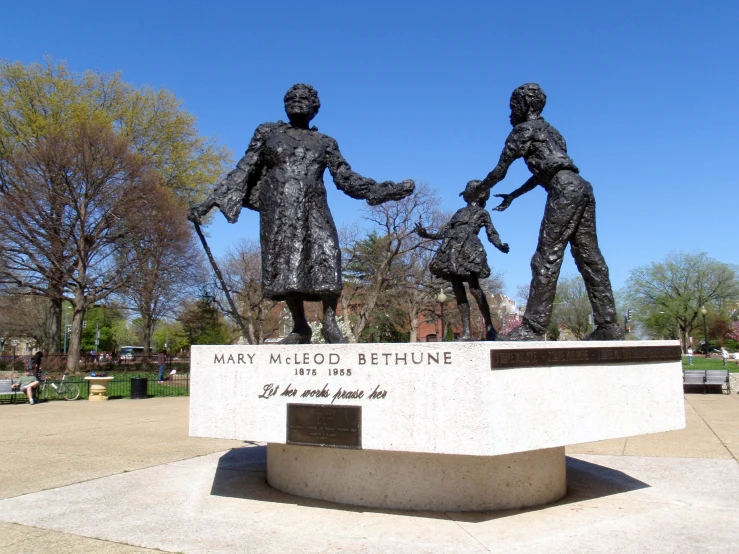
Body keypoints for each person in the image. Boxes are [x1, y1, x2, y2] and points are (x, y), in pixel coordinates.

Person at [188, 84, 414, 344]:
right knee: (286, 266)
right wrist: (207, 204)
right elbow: (244, 168)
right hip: (279, 209)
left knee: (328, 255)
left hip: (314, 207)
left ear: (314, 107)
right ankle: (300, 327)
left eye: (303, 99)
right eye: (291, 98)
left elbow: (346, 178)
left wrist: (386, 190)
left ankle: (330, 323)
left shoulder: (325, 142)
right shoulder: (267, 132)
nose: (296, 102)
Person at [470, 83, 623, 341]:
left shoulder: (522, 131)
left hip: (564, 190)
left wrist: (479, 190)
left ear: (526, 106)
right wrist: (513, 195)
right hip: (581, 186)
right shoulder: (554, 133)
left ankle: (533, 327)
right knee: (590, 257)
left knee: (545, 257)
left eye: (513, 107)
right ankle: (609, 324)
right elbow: (545, 172)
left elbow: (500, 171)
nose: (510, 114)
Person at [415, 181, 509, 341]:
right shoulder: (459, 212)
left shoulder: (482, 213)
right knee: (458, 290)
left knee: (475, 290)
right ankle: (467, 332)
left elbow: (491, 232)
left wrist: (500, 245)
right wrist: (427, 235)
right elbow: (444, 231)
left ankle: (490, 328)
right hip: (451, 251)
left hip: (468, 251)